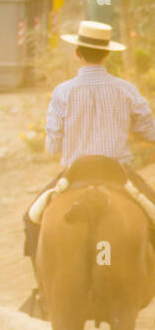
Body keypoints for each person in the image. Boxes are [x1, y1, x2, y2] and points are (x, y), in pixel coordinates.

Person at [21, 21, 155, 315]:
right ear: (106, 54)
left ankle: (42, 291)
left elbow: (53, 147)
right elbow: (151, 132)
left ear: (78, 53)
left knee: (31, 220)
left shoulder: (62, 92)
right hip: (119, 174)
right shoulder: (127, 90)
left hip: (73, 175)